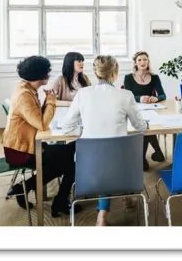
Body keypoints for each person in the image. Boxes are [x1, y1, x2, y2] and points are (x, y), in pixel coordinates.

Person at [60, 55, 150, 226]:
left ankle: (103, 215)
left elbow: (66, 127)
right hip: (121, 165)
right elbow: (140, 127)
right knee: (116, 155)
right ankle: (124, 197)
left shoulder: (83, 94)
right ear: (114, 73)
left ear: (96, 72)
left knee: (104, 158)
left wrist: (83, 130)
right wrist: (144, 123)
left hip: (89, 165)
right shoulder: (125, 95)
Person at [3, 55, 78, 217]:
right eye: (47, 71)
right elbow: (42, 124)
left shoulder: (27, 88)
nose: (49, 73)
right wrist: (51, 100)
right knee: (70, 160)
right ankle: (58, 200)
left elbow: (37, 118)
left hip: (26, 143)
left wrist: (47, 102)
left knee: (70, 155)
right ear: (40, 75)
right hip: (20, 150)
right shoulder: (24, 95)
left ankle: (23, 188)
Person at [122, 50, 168, 168]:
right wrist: (140, 98)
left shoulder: (154, 77)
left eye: (145, 59)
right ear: (135, 63)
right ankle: (157, 152)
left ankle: (142, 158)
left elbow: (163, 95)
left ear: (148, 62)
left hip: (151, 110)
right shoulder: (128, 78)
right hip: (134, 110)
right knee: (145, 126)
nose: (143, 62)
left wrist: (155, 98)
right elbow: (127, 96)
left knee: (147, 125)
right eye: (140, 60)